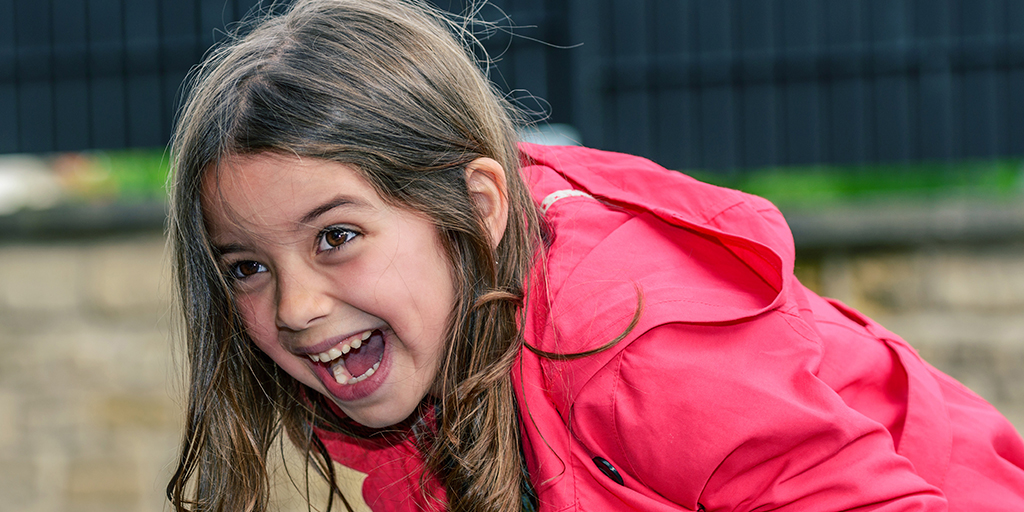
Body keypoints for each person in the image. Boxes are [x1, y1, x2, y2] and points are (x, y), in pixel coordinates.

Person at [165, 0, 1024, 511]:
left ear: (474, 208)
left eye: (336, 238)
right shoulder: (419, 386)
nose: (295, 307)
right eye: (247, 267)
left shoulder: (627, 338)